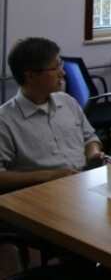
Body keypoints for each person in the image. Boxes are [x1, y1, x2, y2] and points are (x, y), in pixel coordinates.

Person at [0, 37, 104, 193]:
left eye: (60, 65)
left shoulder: (67, 101)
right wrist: (47, 176)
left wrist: (93, 154)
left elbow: (89, 137)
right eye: (55, 68)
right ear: (31, 76)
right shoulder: (5, 120)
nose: (63, 73)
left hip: (84, 182)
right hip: (44, 191)